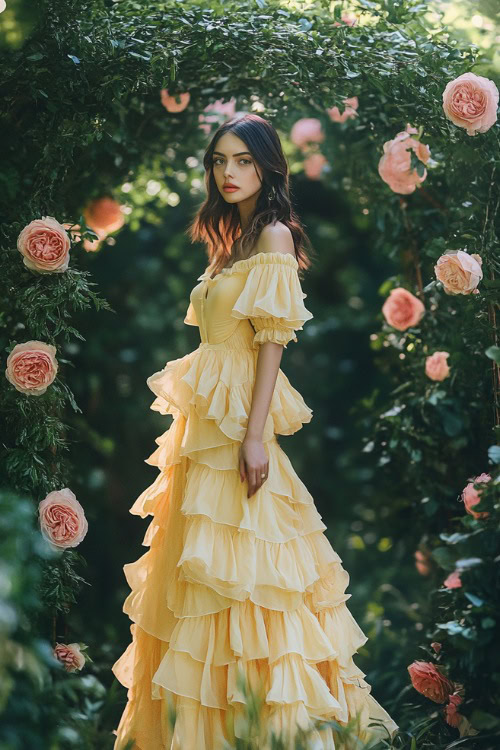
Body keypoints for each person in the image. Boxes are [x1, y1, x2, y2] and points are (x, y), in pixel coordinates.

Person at [112, 113, 399, 750]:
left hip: (239, 422)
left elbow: (272, 344)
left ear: (268, 165)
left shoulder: (271, 235)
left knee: (251, 572)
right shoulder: (233, 239)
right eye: (220, 161)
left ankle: (268, 727)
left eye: (243, 160)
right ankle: (209, 729)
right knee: (203, 574)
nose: (229, 172)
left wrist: (251, 436)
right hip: (203, 427)